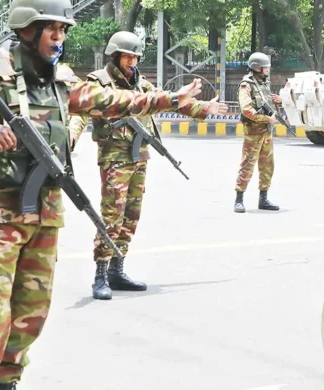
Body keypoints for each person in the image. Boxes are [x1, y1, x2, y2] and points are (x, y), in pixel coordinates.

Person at [0, 1, 226, 390]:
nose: (60, 39)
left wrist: (169, 101)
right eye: (53, 31)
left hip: (44, 212)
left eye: (63, 32)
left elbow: (113, 100)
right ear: (27, 29)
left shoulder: (62, 80)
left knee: (30, 314)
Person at [67, 31, 217, 300]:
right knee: (112, 215)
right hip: (114, 158)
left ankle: (117, 269)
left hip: (139, 158)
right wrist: (70, 139)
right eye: (128, 56)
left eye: (136, 56)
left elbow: (174, 102)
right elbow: (79, 112)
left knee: (131, 216)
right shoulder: (99, 83)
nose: (133, 61)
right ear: (114, 55)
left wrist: (204, 108)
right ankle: (100, 274)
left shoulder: (141, 84)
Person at [234, 52, 281, 213]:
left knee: (267, 165)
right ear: (257, 68)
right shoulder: (246, 85)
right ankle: (239, 199)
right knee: (247, 164)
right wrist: (266, 119)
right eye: (265, 67)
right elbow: (247, 110)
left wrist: (277, 102)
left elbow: (268, 105)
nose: (268, 70)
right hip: (253, 133)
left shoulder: (263, 84)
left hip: (266, 133)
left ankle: (263, 198)